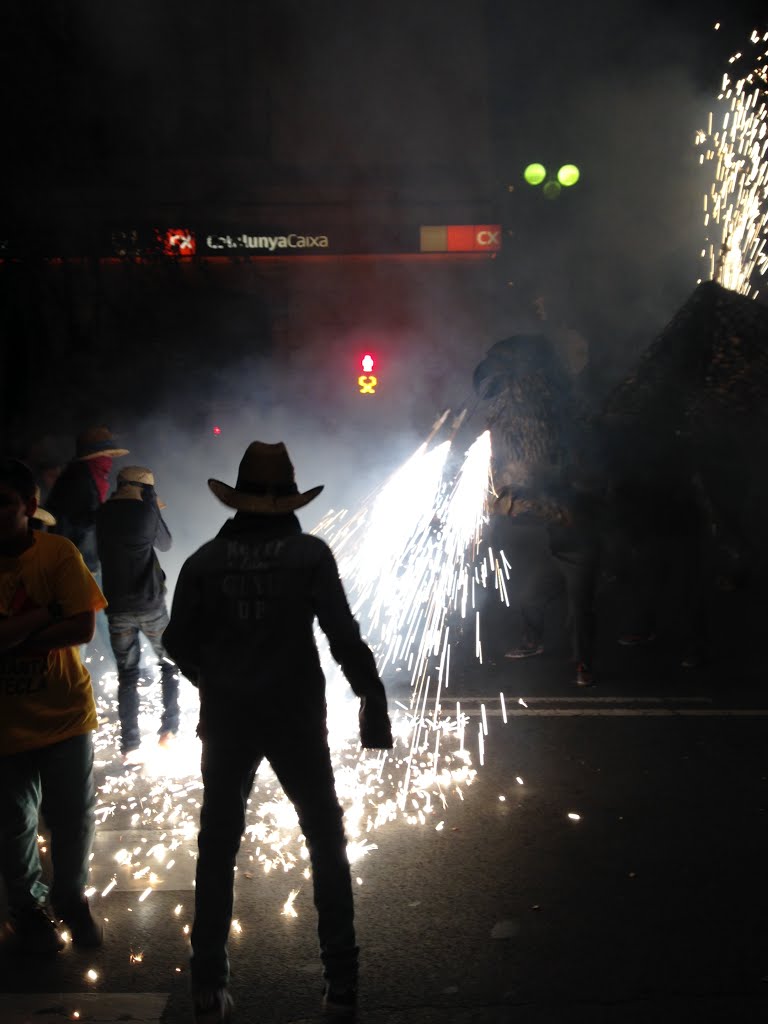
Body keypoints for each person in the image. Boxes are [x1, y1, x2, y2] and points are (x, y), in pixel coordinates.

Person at [163, 441, 393, 1024]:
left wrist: (211, 679)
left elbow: (175, 643)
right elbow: (342, 635)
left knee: (217, 849)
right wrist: (371, 693)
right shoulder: (310, 554)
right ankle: (341, 987)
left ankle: (208, 988)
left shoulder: (203, 562)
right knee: (325, 843)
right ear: (290, 498)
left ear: (237, 501)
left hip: (229, 718)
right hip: (294, 717)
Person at [0, 457, 106, 954]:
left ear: (29, 506)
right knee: (13, 823)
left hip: (65, 715)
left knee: (73, 819)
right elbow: (65, 620)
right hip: (5, 723)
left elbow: (82, 626)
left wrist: (14, 637)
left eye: (4, 503)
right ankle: (27, 910)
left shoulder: (59, 553)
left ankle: (71, 899)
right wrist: (48, 614)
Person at [96, 466, 180, 765]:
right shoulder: (147, 513)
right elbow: (166, 543)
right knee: (170, 664)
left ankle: (130, 745)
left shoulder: (102, 513)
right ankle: (168, 730)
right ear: (146, 491)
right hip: (150, 605)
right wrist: (152, 505)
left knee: (127, 675)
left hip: (117, 607)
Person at [46, 426, 129, 666]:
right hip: (79, 565)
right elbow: (70, 524)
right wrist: (105, 516)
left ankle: (124, 665)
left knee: (100, 615)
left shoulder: (86, 477)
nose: (110, 463)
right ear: (95, 457)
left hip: (86, 562)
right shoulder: (79, 481)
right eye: (106, 457)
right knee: (85, 620)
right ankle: (75, 676)